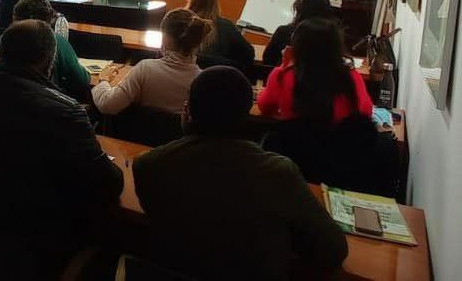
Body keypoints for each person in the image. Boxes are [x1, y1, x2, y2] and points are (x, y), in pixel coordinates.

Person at [0, 20, 122, 274]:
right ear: (49, 62)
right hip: (33, 247)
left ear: (0, 53)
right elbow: (109, 184)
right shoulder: (65, 112)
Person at [133, 66, 348, 279]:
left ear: (188, 112)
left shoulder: (148, 166)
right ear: (247, 115)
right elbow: (332, 250)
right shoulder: (277, 173)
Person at [93, 8, 210, 115]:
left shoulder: (145, 69)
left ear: (166, 38)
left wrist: (103, 80)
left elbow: (107, 105)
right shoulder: (202, 81)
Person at [257, 18, 373, 124]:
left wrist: (285, 65)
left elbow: (264, 106)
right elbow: (366, 111)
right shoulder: (351, 76)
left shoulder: (282, 75)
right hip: (340, 145)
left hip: (296, 144)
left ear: (297, 44)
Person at [12, 0, 90, 103]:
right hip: (47, 108)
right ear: (48, 20)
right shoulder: (55, 40)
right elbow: (82, 80)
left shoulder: (9, 39)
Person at [187, 0, 255, 67]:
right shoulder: (226, 26)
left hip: (187, 77)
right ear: (215, 3)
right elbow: (249, 54)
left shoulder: (183, 24)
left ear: (191, 0)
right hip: (221, 77)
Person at [262, 0, 335, 66]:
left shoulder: (284, 32)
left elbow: (268, 60)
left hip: (283, 75)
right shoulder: (331, 35)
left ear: (298, 10)